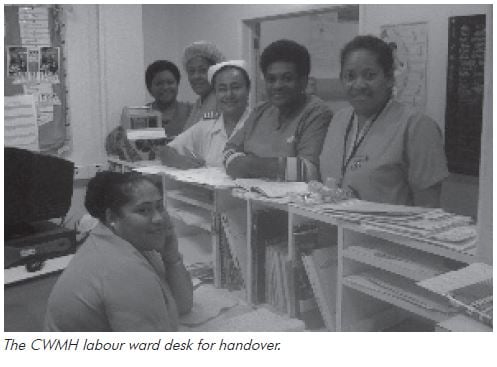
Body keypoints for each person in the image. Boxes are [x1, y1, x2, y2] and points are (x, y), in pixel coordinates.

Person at [44, 172, 193, 331]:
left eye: (159, 206)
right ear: (112, 217)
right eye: (143, 210)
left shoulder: (130, 241)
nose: (158, 218)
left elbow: (182, 306)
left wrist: (172, 258)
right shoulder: (123, 268)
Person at [319, 35, 448, 207]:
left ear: (389, 78)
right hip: (337, 230)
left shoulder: (417, 126)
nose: (358, 85)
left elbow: (428, 209)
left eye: (369, 75)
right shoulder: (339, 120)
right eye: (350, 76)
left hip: (389, 233)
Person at [223, 39, 332, 181]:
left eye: (287, 78)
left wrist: (247, 163)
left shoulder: (318, 113)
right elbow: (228, 150)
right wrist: (279, 167)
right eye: (271, 79)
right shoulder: (260, 111)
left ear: (303, 81)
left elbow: (308, 171)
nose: (277, 86)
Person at [159, 60, 251, 169]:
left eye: (235, 87)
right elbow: (166, 151)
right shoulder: (208, 126)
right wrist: (181, 161)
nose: (229, 94)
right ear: (215, 93)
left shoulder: (260, 124)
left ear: (248, 89)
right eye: (222, 89)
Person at [106, 60, 192, 161]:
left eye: (170, 82)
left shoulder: (191, 111)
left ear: (177, 84)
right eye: (159, 84)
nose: (165, 87)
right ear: (150, 88)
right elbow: (119, 142)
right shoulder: (140, 116)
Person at [182, 40, 226, 130]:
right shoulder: (199, 104)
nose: (196, 76)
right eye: (191, 71)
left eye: (202, 70)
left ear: (215, 71)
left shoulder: (223, 102)